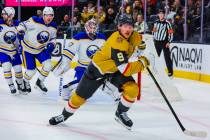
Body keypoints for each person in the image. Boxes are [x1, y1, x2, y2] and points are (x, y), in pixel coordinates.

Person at [49, 14, 150, 130]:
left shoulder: (134, 35)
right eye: (125, 26)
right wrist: (144, 61)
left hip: (114, 70)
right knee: (78, 98)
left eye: (130, 26)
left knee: (133, 89)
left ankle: (120, 113)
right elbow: (126, 70)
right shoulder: (116, 42)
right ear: (119, 27)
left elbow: (140, 41)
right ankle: (63, 115)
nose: (128, 29)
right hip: (97, 70)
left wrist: (142, 48)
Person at [53, 18, 119, 101]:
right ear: (86, 28)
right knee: (83, 83)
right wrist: (64, 64)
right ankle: (66, 89)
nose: (92, 29)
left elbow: (108, 52)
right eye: (90, 27)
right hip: (82, 67)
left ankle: (117, 96)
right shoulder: (79, 37)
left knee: (102, 82)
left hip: (96, 67)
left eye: (94, 27)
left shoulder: (102, 38)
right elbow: (69, 52)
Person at [16, 7, 57, 94]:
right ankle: (25, 81)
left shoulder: (53, 26)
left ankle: (39, 82)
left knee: (48, 65)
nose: (49, 17)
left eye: (51, 15)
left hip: (40, 50)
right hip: (27, 49)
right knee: (31, 71)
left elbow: (53, 38)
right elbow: (22, 24)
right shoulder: (35, 20)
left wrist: (52, 44)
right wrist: (21, 31)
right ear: (43, 15)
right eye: (47, 15)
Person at [0, 7, 25, 94]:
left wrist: (21, 44)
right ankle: (11, 85)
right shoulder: (0, 24)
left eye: (4, 14)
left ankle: (20, 84)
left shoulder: (18, 24)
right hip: (3, 51)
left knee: (18, 69)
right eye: (2, 14)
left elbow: (23, 37)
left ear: (10, 15)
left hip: (14, 51)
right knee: (6, 67)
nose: (2, 15)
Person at [152, 9, 174, 77]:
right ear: (158, 15)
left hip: (164, 42)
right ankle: (154, 70)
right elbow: (154, 31)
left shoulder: (167, 23)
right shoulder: (156, 22)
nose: (161, 15)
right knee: (155, 57)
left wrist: (169, 42)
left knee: (167, 57)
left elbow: (170, 33)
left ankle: (170, 72)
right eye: (160, 13)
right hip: (157, 42)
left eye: (162, 13)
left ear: (164, 15)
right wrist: (154, 39)